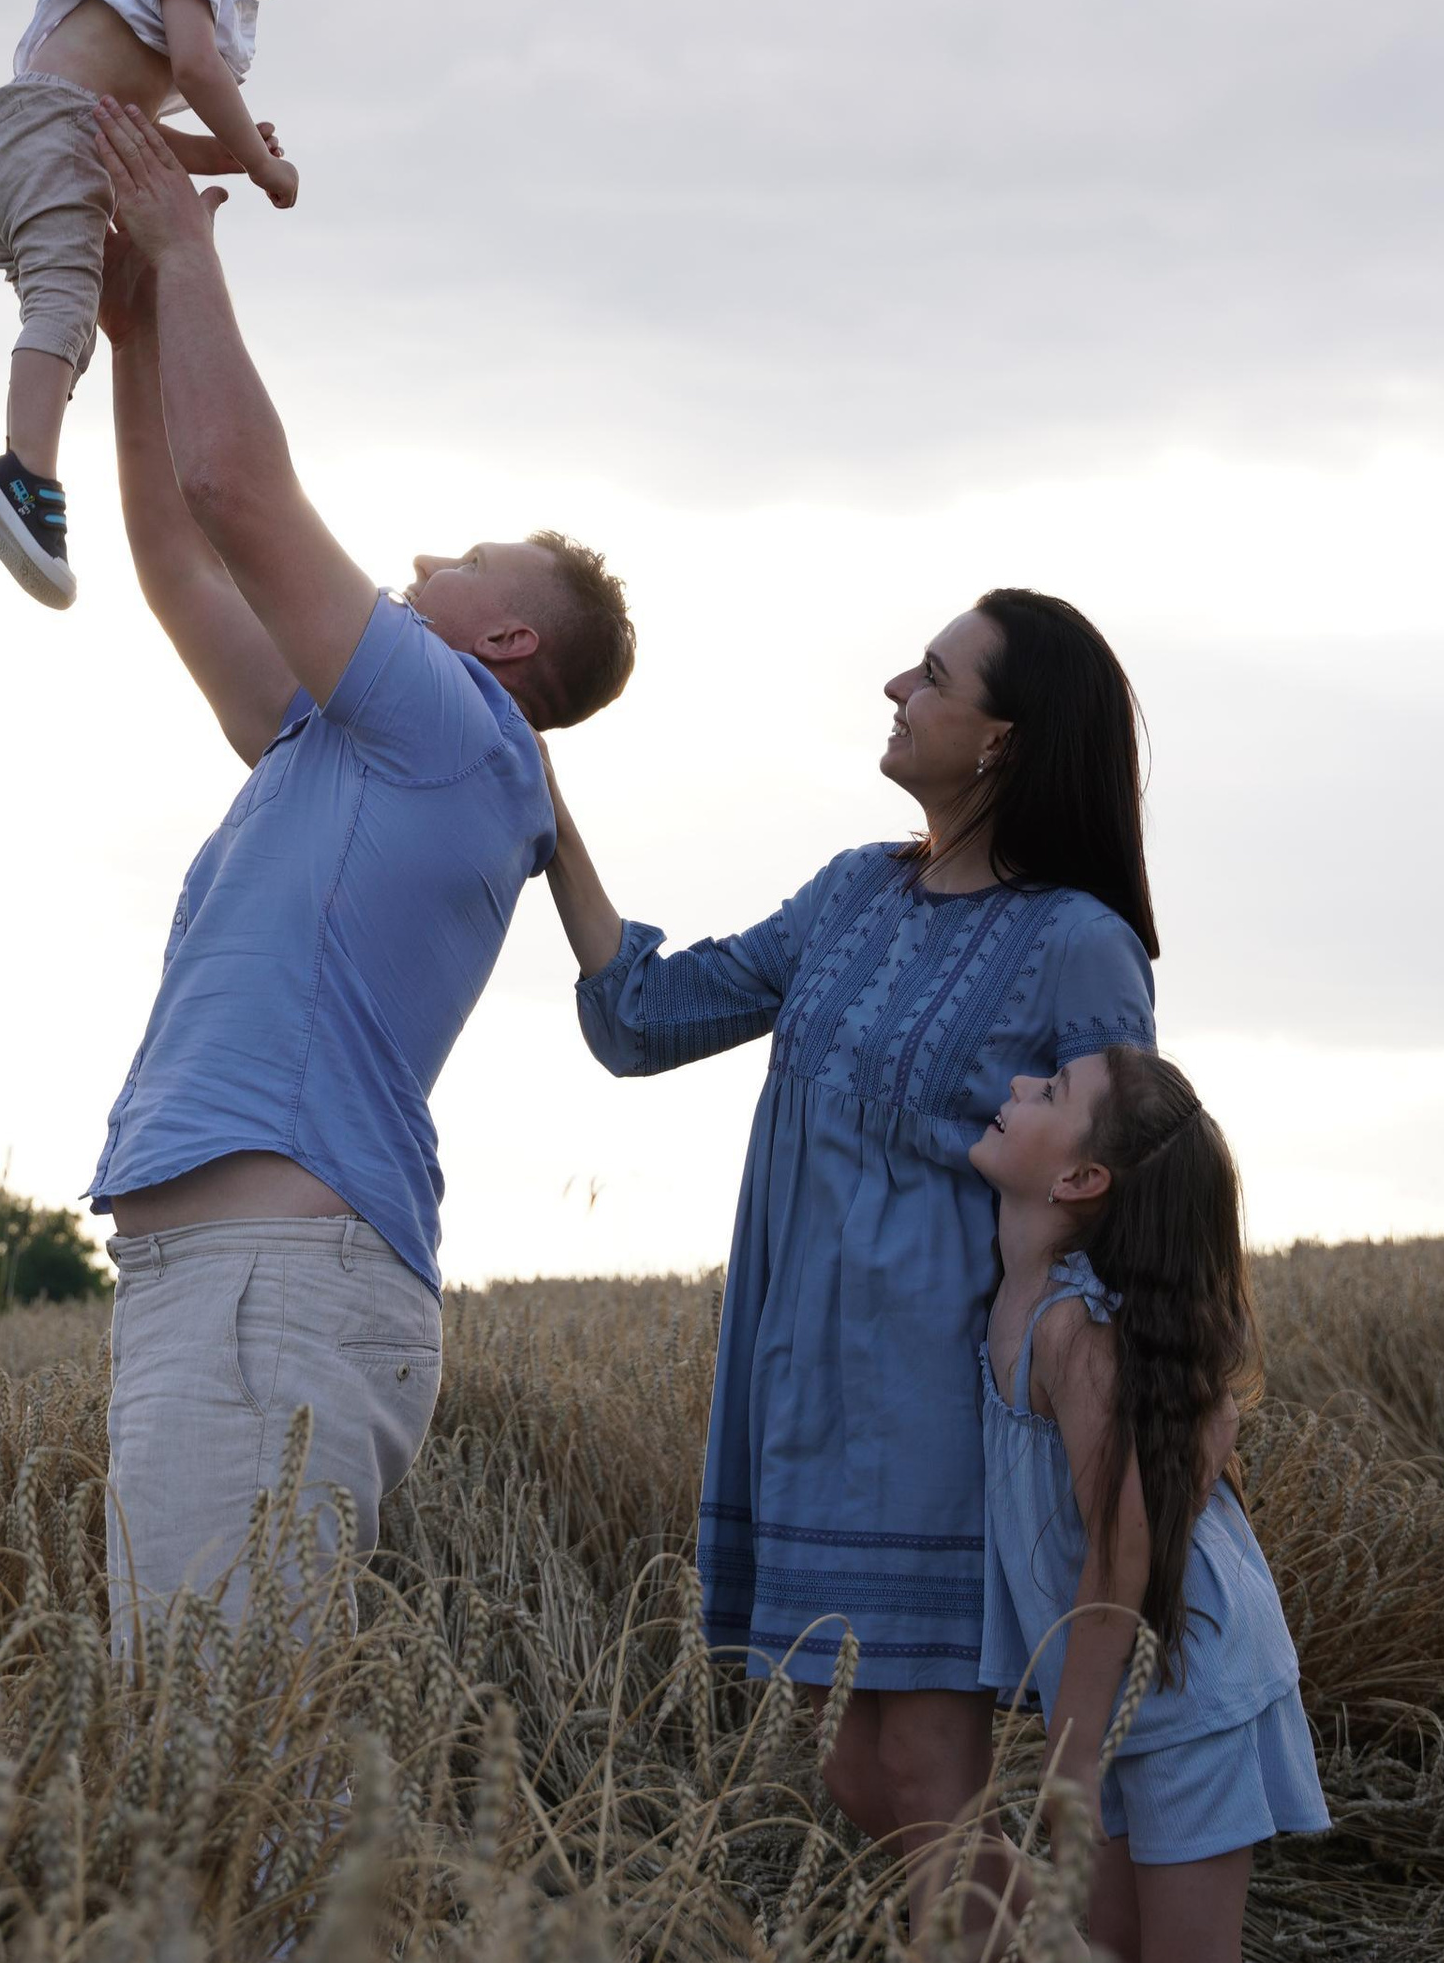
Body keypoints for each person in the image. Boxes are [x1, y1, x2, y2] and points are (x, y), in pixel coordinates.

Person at [82, 99, 636, 1638]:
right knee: (210, 1755)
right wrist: (139, 331)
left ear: (504, 642)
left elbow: (242, 499)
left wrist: (190, 253)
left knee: (220, 1758)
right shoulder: (348, 741)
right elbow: (182, 555)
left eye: (462, 564)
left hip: (276, 1281)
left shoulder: (455, 726)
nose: (421, 564)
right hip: (246, 1279)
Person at [540, 591, 1158, 1922]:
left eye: (932, 676)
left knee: (925, 1766)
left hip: (941, 1393)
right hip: (801, 1387)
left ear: (1001, 737)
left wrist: (1111, 1415)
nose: (896, 685)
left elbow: (1131, 1178)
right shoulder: (851, 890)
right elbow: (646, 1017)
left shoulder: (1078, 943)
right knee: (857, 1771)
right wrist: (545, 819)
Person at [970, 1046, 1327, 1962]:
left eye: (1048, 1091)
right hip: (1122, 1681)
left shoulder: (1071, 1329)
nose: (1015, 1086)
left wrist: (1072, 1758)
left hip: (1182, 1681)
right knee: (1115, 1945)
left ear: (1083, 1177)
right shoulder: (1021, 1296)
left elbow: (1122, 1549)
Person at [0, 0, 331, 608]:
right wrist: (263, 165)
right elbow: (198, 70)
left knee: (66, 319)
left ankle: (29, 471)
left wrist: (227, 154)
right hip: (48, 133)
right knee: (63, 306)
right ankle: (22, 475)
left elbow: (136, 129)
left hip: (44, 137)